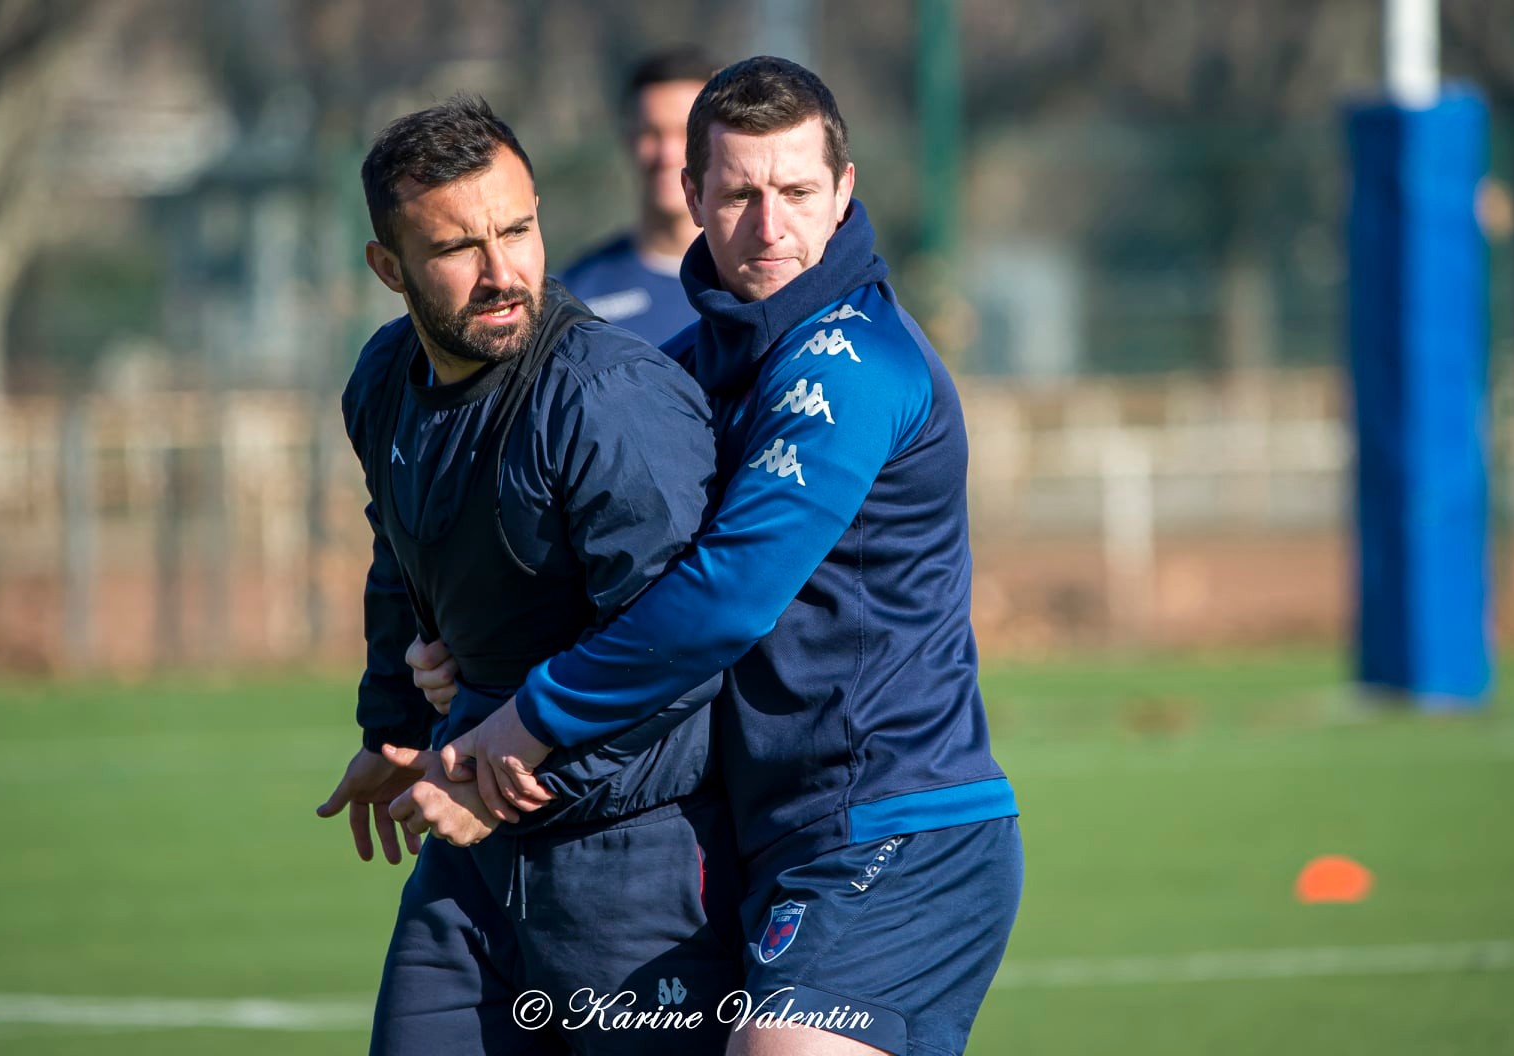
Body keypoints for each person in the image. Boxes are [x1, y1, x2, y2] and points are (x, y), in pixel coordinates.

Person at [445, 58, 1023, 1056]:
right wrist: (453, 648)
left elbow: (724, 600)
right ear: (692, 196)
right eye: (741, 193)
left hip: (896, 823)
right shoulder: (703, 363)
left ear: (843, 193)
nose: (770, 227)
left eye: (798, 192)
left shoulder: (847, 366)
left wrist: (534, 715)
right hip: (768, 833)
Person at [314, 95, 743, 1056]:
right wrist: (393, 728)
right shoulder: (382, 381)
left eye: (519, 228)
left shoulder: (608, 399)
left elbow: (680, 655)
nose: (503, 272)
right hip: (469, 856)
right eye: (458, 248)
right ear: (389, 269)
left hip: (639, 862)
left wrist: (498, 778)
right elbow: (399, 550)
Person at [558, 46, 718, 345]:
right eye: (651, 133)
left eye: (686, 133)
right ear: (628, 139)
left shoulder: (765, 280)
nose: (667, 154)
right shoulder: (576, 296)